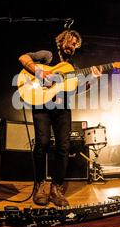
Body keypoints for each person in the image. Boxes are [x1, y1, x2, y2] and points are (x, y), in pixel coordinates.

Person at [18, 29, 101, 207]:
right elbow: (23, 58)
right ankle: (40, 184)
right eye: (70, 42)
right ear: (62, 40)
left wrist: (93, 79)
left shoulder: (73, 68)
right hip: (41, 104)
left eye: (75, 45)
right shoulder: (47, 55)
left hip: (62, 108)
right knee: (43, 142)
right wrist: (39, 73)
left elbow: (77, 90)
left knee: (64, 146)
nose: (71, 46)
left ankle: (56, 188)